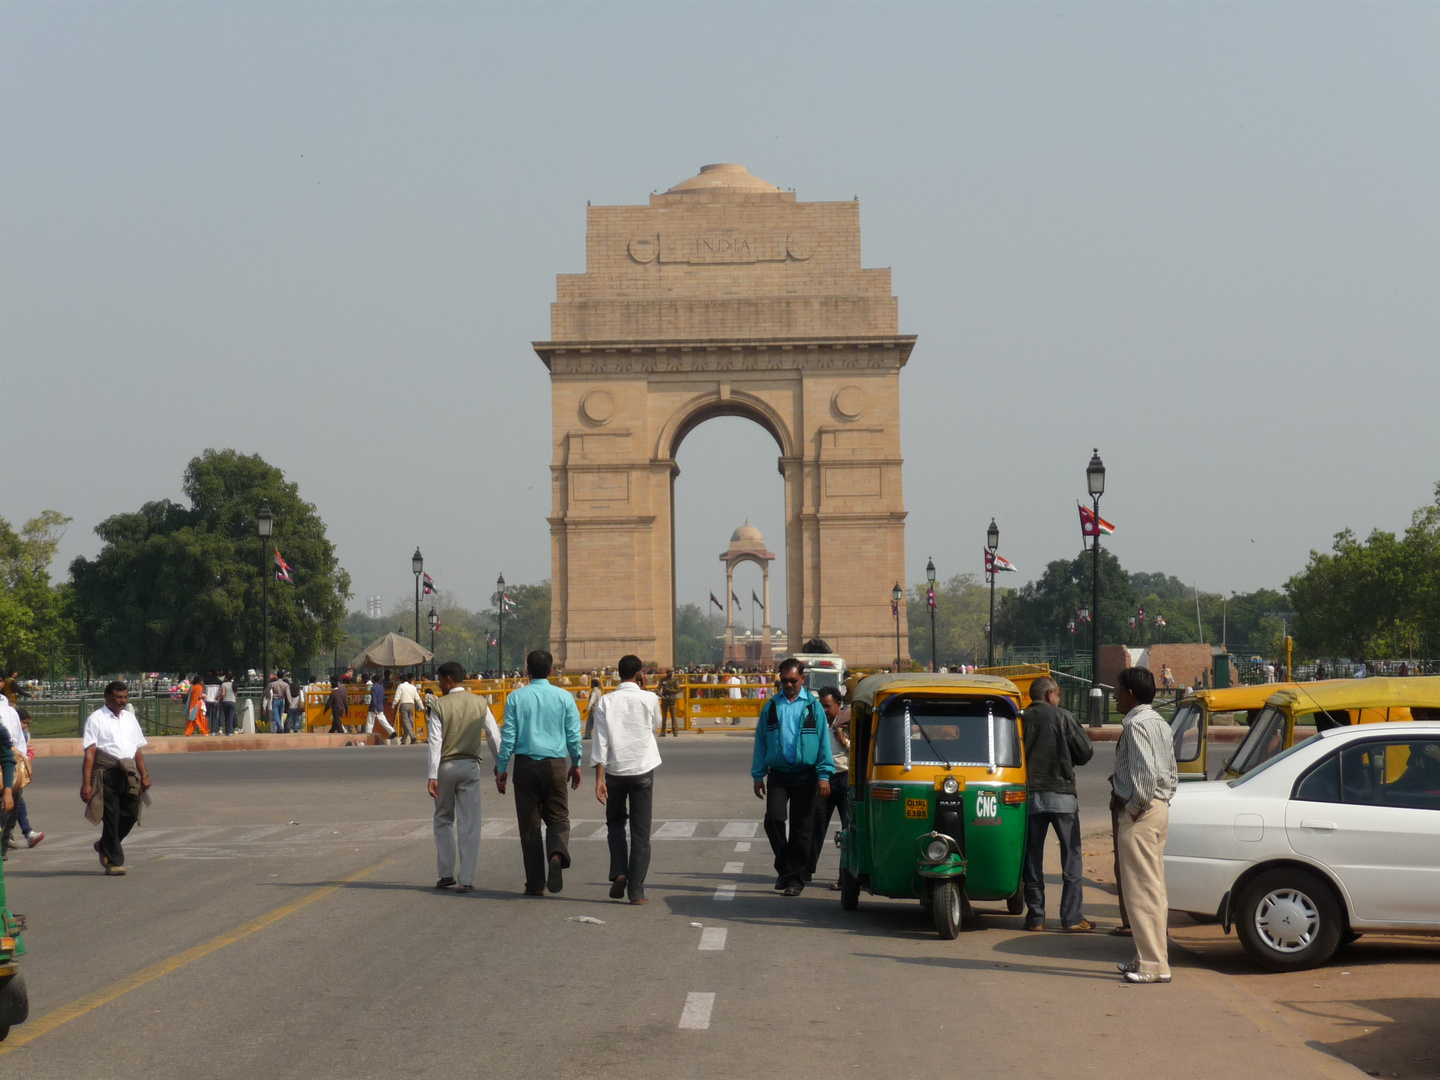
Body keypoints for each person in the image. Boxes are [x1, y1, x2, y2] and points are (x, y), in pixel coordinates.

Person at [496, 650, 583, 896]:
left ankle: (535, 884)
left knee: (530, 826)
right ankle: (556, 854)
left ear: (527, 671)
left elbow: (509, 736)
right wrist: (575, 764)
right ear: (552, 671)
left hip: (525, 765)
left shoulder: (515, 698)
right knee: (558, 817)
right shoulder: (564, 697)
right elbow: (574, 736)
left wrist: (502, 768)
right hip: (555, 764)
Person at [1111, 666, 1177, 984]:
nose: (1114, 695)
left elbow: (1146, 776)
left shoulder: (1136, 724)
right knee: (1153, 888)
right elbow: (1172, 773)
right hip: (1159, 808)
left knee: (1140, 891)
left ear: (1130, 694)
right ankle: (1147, 957)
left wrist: (1135, 810)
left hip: (1143, 811)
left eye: (1117, 689)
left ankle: (1153, 965)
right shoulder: (1159, 723)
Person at [752, 657, 835, 897]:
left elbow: (823, 743)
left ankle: (794, 879)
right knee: (774, 821)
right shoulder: (771, 706)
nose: (788, 685)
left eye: (793, 681)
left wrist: (824, 775)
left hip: (806, 775)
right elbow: (761, 742)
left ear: (803, 679)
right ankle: (786, 866)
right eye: (784, 681)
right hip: (778, 774)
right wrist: (758, 776)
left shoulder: (813, 706)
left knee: (802, 829)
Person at [1020, 676, 1094, 932]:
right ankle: (1072, 918)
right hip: (1063, 799)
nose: (1058, 699)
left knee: (1032, 858)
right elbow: (1085, 752)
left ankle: (1036, 917)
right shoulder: (1063, 716)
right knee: (1071, 858)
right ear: (1050, 694)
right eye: (1058, 695)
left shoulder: (1020, 719)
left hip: (1031, 798)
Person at [590, 654, 662, 904]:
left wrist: (599, 778)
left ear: (618, 674)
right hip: (642, 769)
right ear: (640, 674)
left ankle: (620, 871)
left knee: (615, 824)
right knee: (641, 833)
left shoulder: (606, 702)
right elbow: (657, 724)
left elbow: (600, 742)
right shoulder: (650, 698)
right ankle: (636, 891)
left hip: (614, 772)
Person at [426, 660, 500, 893]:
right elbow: (493, 736)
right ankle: (466, 879)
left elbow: (435, 742)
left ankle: (446, 873)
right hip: (470, 766)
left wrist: (432, 775)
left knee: (443, 819)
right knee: (469, 823)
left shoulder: (439, 706)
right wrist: (501, 765)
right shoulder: (480, 702)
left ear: (448, 679)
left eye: (440, 680)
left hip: (445, 767)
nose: (439, 685)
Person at [81, 681, 153, 876]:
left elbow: (137, 748)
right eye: (118, 697)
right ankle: (114, 862)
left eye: (125, 697)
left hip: (128, 772)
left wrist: (144, 774)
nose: (122, 701)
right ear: (107, 697)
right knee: (111, 818)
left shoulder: (129, 718)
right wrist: (86, 783)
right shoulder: (96, 719)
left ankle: (105, 844)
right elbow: (90, 753)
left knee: (130, 814)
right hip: (106, 774)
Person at [805, 685, 850, 887]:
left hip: (846, 779)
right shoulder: (816, 723)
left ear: (838, 704)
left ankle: (845, 876)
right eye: (821, 705)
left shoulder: (850, 720)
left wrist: (844, 741)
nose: (824, 710)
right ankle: (806, 871)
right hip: (823, 779)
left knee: (849, 830)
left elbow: (864, 749)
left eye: (828, 706)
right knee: (816, 825)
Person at [393, 674, 422, 745]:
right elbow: (417, 698)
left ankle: (413, 736)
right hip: (411, 705)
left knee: (406, 722)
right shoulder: (412, 687)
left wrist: (393, 704)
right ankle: (403, 739)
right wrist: (422, 706)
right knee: (407, 722)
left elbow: (397, 697)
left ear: (401, 680)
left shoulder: (401, 686)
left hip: (404, 704)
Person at [366, 675, 396, 741]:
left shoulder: (374, 687)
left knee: (370, 722)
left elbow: (374, 698)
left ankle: (368, 735)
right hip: (380, 706)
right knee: (383, 721)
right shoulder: (382, 687)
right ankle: (392, 731)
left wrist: (374, 708)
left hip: (374, 707)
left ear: (373, 680)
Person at [657, 669, 680, 737]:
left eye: (672, 672)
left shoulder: (675, 680)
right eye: (669, 672)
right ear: (667, 672)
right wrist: (661, 696)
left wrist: (670, 690)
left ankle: (675, 732)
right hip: (664, 699)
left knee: (673, 716)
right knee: (664, 716)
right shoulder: (663, 680)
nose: (671, 673)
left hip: (672, 698)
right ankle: (663, 732)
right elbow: (658, 689)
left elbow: (678, 690)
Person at [217, 671, 237, 736]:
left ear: (226, 678)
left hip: (225, 701)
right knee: (231, 716)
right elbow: (235, 694)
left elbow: (223, 693)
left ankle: (227, 731)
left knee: (226, 717)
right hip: (232, 701)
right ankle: (230, 731)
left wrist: (218, 697)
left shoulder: (223, 684)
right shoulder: (233, 684)